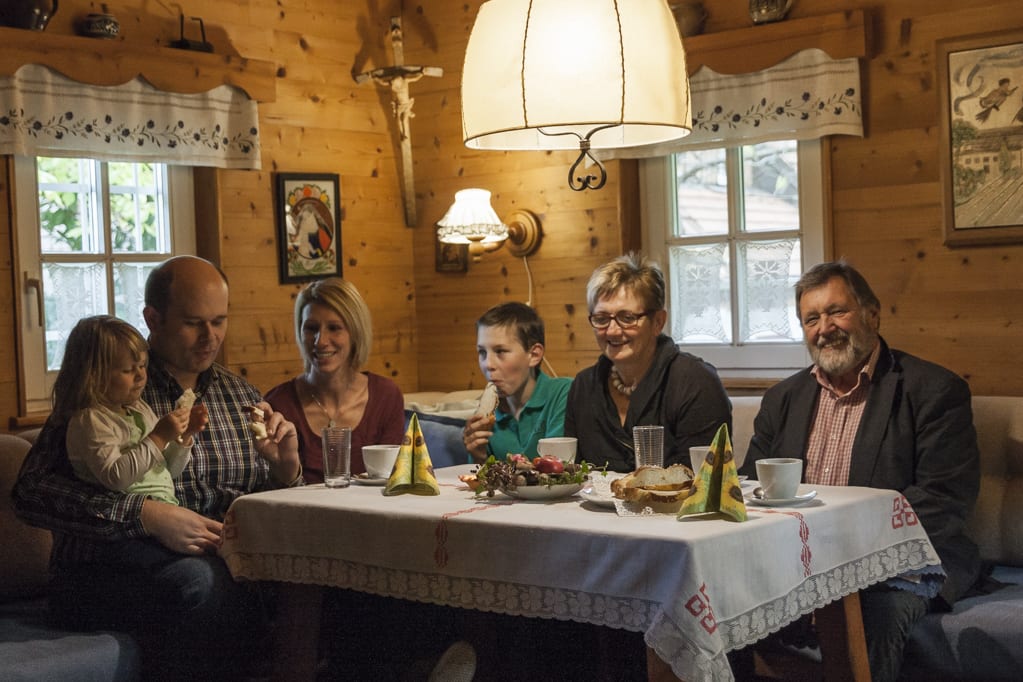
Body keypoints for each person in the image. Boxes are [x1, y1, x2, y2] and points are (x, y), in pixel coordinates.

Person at [13, 256, 303, 681]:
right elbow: (31, 493)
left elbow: (268, 502)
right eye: (193, 323)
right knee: (207, 584)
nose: (210, 337)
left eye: (219, 321)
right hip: (107, 570)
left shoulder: (240, 394)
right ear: (153, 318)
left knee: (320, 579)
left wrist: (286, 472)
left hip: (221, 554)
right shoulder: (106, 389)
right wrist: (145, 515)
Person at [739, 260, 981, 682]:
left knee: (870, 616)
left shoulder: (933, 390)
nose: (824, 328)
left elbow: (944, 499)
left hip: (903, 564)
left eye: (837, 311)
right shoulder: (782, 399)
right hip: (794, 561)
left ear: (872, 314)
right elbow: (750, 487)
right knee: (725, 607)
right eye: (811, 319)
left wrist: (842, 562)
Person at [57, 315, 208, 566]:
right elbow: (116, 477)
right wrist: (159, 436)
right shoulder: (91, 420)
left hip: (165, 515)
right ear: (93, 376)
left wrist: (183, 437)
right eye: (128, 370)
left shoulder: (139, 409)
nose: (140, 376)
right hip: (123, 533)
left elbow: (168, 471)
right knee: (196, 565)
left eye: (143, 366)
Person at [564, 252, 732, 473]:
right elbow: (575, 474)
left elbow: (704, 478)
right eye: (601, 319)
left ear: (658, 322)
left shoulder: (695, 382)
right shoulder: (584, 386)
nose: (612, 331)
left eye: (627, 318)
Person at [265, 276, 405, 482]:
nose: (320, 341)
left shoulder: (386, 396)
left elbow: (393, 481)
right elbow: (274, 491)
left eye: (334, 328)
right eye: (311, 328)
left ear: (355, 333)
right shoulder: (278, 403)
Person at [462, 301, 572, 464]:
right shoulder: (487, 415)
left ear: (534, 355)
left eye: (500, 351)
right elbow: (479, 477)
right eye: (482, 352)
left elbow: (557, 467)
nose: (488, 364)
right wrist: (479, 456)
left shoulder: (563, 393)